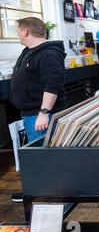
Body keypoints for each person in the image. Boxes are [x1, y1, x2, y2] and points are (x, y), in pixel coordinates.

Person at [9, 17, 66, 202]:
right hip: (31, 113)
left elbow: (52, 85)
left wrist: (44, 113)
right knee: (36, 155)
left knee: (41, 155)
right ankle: (40, 188)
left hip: (39, 115)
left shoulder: (48, 53)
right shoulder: (29, 51)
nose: (18, 34)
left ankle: (48, 193)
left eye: (18, 31)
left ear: (26, 31)